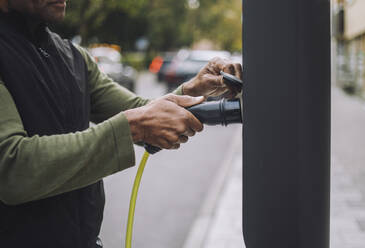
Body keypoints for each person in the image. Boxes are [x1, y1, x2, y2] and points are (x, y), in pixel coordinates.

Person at [0, 0, 242, 247]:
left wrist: (193, 89)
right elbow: (12, 166)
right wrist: (133, 127)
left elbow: (139, 109)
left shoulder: (73, 57)